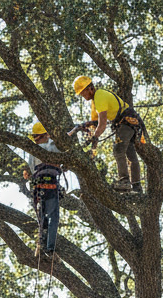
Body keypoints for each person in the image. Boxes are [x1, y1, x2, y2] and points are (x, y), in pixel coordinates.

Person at [71, 75, 146, 193]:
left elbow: (102, 125)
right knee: (130, 153)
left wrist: (94, 137)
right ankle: (136, 187)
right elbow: (95, 124)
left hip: (126, 122)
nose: (83, 96)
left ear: (90, 88)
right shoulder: (97, 99)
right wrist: (85, 130)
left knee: (118, 150)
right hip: (132, 123)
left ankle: (124, 181)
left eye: (83, 93)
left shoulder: (99, 96)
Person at [22, 122, 64, 262]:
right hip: (50, 186)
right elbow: (61, 160)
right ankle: (50, 249)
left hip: (37, 189)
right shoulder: (51, 145)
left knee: (42, 219)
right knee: (53, 217)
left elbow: (30, 170)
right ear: (46, 135)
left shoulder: (33, 151)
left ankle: (40, 245)